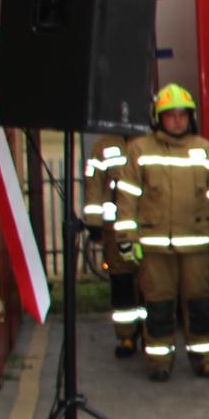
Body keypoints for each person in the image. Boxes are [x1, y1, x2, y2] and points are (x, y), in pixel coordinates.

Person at [115, 84, 209, 382]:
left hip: (195, 246)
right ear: (158, 118)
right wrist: (127, 240)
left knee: (201, 305)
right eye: (170, 116)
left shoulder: (204, 150)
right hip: (154, 248)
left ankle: (206, 359)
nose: (178, 121)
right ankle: (159, 361)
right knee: (158, 305)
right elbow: (127, 199)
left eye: (183, 115)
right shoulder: (140, 150)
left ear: (191, 117)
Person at [80, 134, 144, 358]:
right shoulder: (103, 147)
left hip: (148, 227)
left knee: (151, 284)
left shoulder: (153, 142)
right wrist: (94, 223)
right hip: (115, 229)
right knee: (122, 283)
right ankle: (126, 336)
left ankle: (150, 334)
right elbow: (94, 185)